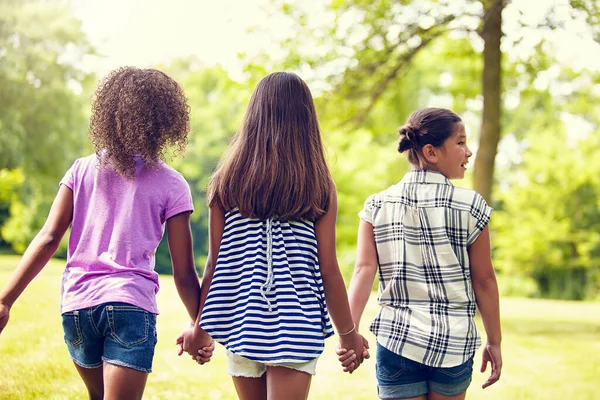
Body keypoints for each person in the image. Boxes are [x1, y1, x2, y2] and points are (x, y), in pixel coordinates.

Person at [0, 67, 213, 400]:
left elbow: (48, 237)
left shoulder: (81, 170)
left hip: (78, 308)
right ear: (166, 122)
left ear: (109, 115)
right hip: (130, 306)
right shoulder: (173, 184)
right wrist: (199, 326)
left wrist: (5, 300)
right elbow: (184, 272)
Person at [179, 71, 369, 400]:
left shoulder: (226, 182)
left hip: (242, 323)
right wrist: (348, 334)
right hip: (297, 325)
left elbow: (214, 265)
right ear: (306, 121)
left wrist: (200, 327)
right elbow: (328, 269)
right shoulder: (319, 186)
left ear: (253, 117)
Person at [338, 108, 502, 400]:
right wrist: (495, 340)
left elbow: (363, 270)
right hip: (453, 343)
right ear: (431, 152)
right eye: (461, 142)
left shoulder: (377, 205)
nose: (469, 151)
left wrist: (348, 334)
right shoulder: (471, 206)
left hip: (397, 342)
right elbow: (485, 280)